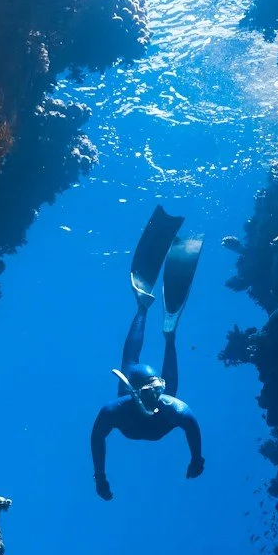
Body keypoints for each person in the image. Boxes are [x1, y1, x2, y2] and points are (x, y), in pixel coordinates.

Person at [91, 205, 205, 500]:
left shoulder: (174, 408)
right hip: (136, 397)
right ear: (133, 392)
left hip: (152, 406)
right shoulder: (115, 410)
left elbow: (192, 430)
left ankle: (161, 328)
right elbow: (97, 437)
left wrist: (197, 459)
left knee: (140, 367)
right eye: (150, 394)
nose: (156, 400)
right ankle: (157, 323)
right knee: (130, 361)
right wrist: (99, 477)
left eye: (157, 393)